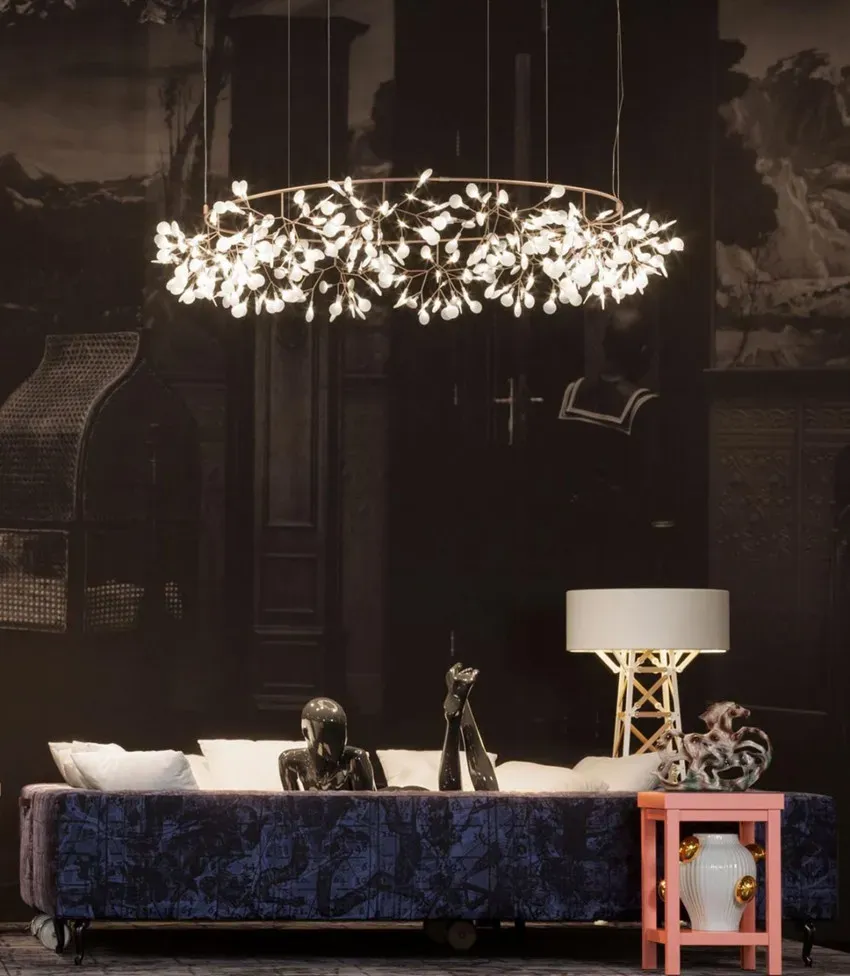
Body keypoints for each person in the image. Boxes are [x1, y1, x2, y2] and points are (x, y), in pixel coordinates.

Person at [279, 697, 376, 791]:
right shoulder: (290, 761)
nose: (337, 742)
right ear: (306, 733)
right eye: (328, 735)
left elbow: (368, 800)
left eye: (341, 733)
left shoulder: (354, 759)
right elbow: (291, 800)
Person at [438, 662, 499, 791]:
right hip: (411, 796)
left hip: (407, 797)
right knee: (489, 799)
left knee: (451, 799)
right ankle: (456, 715)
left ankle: (455, 717)